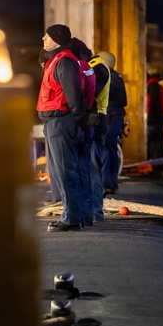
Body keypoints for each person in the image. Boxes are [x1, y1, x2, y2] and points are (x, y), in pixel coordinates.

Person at [37, 24, 88, 232]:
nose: (43, 39)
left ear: (57, 39)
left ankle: (71, 218)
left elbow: (74, 95)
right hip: (56, 122)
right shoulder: (57, 61)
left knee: (66, 171)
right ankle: (73, 215)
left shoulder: (64, 62)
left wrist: (77, 119)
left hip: (61, 122)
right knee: (63, 170)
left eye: (47, 36)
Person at [68, 38, 99, 226]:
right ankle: (87, 214)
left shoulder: (77, 66)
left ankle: (77, 214)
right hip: (87, 120)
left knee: (74, 170)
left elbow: (75, 93)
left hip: (77, 121)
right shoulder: (89, 67)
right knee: (85, 169)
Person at [85, 49, 112, 221]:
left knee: (93, 166)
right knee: (91, 165)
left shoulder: (98, 67)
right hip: (95, 118)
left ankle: (96, 212)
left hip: (95, 119)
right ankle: (92, 211)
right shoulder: (96, 66)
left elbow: (93, 92)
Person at [98, 51, 127, 193]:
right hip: (115, 118)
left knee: (104, 149)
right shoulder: (117, 77)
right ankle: (111, 183)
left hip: (109, 118)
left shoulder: (108, 77)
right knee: (111, 149)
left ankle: (104, 184)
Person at [146, 71, 163, 159]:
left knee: (153, 141)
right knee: (159, 142)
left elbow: (153, 101)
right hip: (161, 115)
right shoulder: (160, 83)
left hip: (155, 117)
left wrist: (150, 116)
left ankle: (154, 164)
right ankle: (159, 163)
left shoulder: (152, 84)